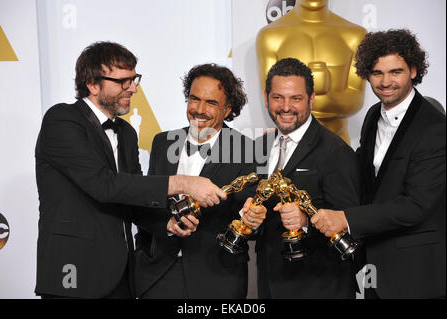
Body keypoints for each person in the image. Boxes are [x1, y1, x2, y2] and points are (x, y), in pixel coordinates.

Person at [35, 42, 226, 299]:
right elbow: (104, 185)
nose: (134, 88)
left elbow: (133, 197)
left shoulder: (126, 133)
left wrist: (167, 223)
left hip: (122, 276)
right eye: (124, 81)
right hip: (73, 272)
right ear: (92, 84)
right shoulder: (62, 120)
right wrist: (184, 183)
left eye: (134, 79)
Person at [312, 29, 446, 299]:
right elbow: (363, 174)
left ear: (413, 71)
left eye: (395, 72)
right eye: (376, 73)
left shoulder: (435, 128)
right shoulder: (374, 115)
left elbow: (415, 206)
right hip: (374, 267)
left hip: (417, 273)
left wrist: (345, 219)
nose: (386, 82)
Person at [134, 63, 256, 299]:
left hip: (216, 280)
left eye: (211, 103)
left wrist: (251, 218)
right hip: (157, 275)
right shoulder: (163, 143)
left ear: (228, 109)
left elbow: (248, 219)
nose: (199, 109)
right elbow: (146, 205)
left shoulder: (246, 150)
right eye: (194, 98)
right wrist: (165, 226)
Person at [242, 57, 361, 298]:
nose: (286, 107)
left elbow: (353, 224)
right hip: (269, 284)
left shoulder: (336, 151)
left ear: (311, 98)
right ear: (266, 97)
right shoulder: (259, 147)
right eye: (278, 98)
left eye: (295, 98)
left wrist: (306, 222)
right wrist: (248, 214)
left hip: (320, 287)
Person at [256, 0, 366, 144]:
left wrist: (328, 92)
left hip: (339, 143)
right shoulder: (270, 36)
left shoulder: (354, 35)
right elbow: (271, 99)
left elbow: (356, 101)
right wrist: (324, 95)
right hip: (290, 144)